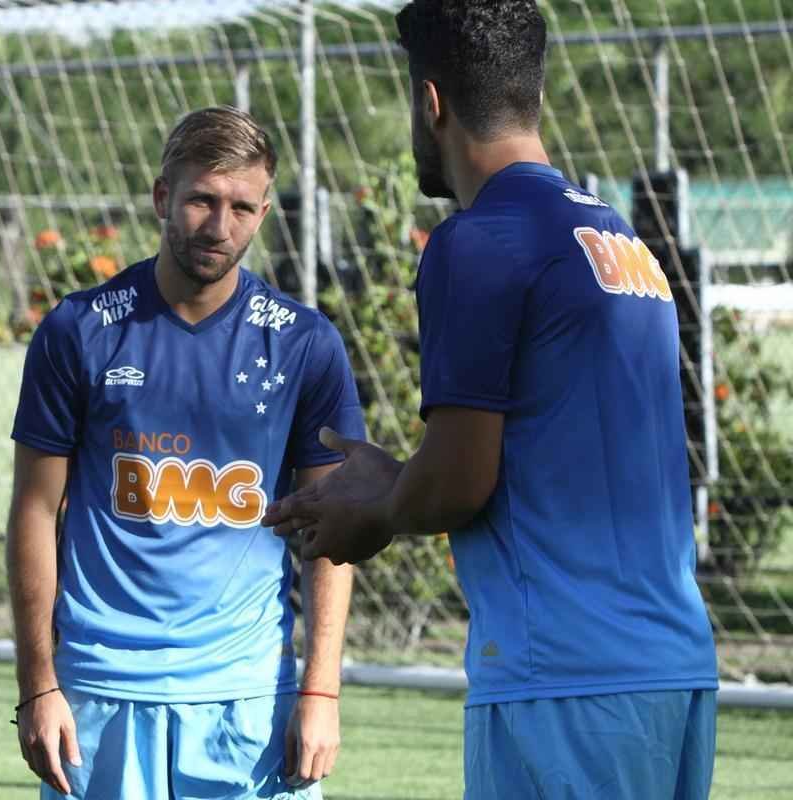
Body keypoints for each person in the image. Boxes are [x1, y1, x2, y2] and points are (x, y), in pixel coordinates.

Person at [262, 2, 720, 798]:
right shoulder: (618, 241)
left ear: (430, 102)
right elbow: (545, 458)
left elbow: (458, 485)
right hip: (673, 668)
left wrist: (375, 513)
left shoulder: (480, 239)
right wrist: (400, 472)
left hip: (565, 683)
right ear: (532, 96)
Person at [7, 105, 365, 799]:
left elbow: (334, 528)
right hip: (101, 688)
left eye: (240, 206)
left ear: (262, 214)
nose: (219, 225)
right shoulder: (78, 330)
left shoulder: (304, 343)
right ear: (163, 198)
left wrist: (322, 691)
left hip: (248, 692)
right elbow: (33, 510)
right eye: (202, 199)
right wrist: (38, 686)